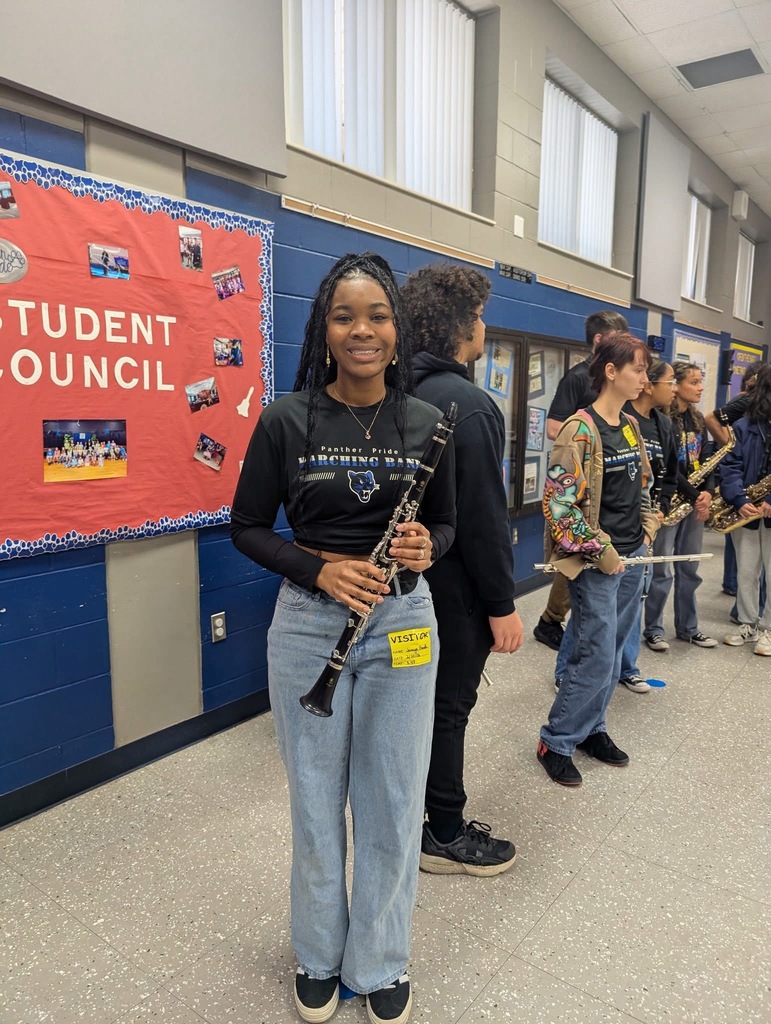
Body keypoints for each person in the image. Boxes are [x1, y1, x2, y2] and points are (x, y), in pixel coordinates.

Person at [230, 252, 456, 1024]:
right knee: (316, 804)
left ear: (397, 329)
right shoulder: (285, 419)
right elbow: (247, 527)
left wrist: (430, 546)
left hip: (401, 622)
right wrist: (316, 571)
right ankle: (320, 956)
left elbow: (448, 522)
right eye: (344, 316)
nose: (362, 330)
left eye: (377, 316)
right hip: (307, 622)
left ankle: (380, 960)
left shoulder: (428, 420)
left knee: (393, 802)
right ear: (324, 330)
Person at [400, 263, 523, 877]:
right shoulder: (468, 406)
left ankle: (403, 817)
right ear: (458, 329)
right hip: (453, 595)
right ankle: (443, 831)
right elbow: (483, 521)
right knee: (448, 710)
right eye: (477, 317)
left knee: (408, 710)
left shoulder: (387, 390)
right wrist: (501, 604)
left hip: (393, 593)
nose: (484, 326)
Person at [537, 332, 660, 786]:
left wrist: (647, 529)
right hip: (595, 562)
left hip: (632, 557)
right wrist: (603, 552)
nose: (644, 379)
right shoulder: (579, 429)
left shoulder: (629, 425)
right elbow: (560, 507)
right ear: (611, 371)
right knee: (594, 655)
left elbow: (643, 485)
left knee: (612, 654)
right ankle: (557, 738)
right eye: (638, 370)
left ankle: (593, 729)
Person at [533, 310, 629, 651]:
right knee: (576, 559)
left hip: (610, 494)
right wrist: (590, 441)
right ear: (600, 341)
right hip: (581, 488)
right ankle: (550, 621)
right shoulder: (577, 378)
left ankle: (556, 621)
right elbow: (555, 427)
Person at [643, 362, 718, 651]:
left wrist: (708, 493)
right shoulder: (663, 418)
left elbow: (710, 460)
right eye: (694, 382)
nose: (700, 387)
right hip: (674, 501)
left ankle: (689, 628)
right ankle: (654, 629)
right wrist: (693, 493)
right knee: (662, 570)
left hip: (696, 504)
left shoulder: (698, 420)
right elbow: (669, 467)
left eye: (701, 382)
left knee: (690, 568)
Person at [720, 364, 771, 657]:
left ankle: (768, 629)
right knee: (747, 572)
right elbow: (731, 466)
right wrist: (739, 499)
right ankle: (749, 623)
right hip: (747, 511)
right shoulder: (743, 427)